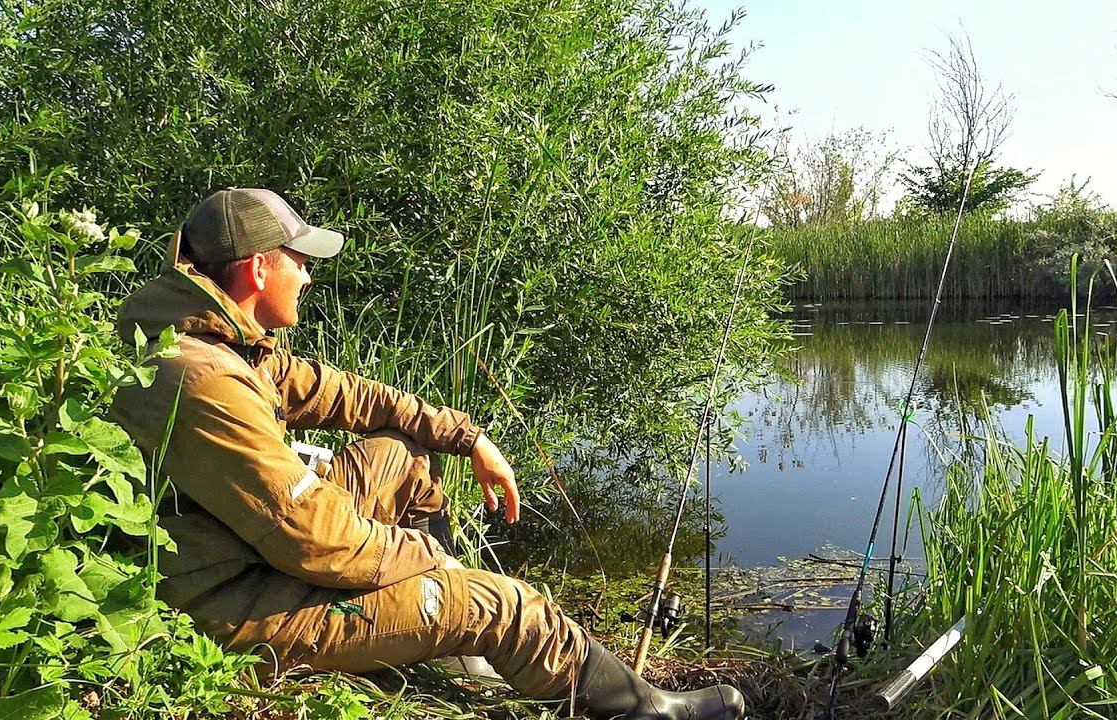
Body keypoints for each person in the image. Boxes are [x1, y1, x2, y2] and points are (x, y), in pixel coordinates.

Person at [111, 188, 746, 720]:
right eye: (297, 259)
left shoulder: (217, 340)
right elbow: (312, 540)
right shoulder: (205, 380)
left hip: (247, 550)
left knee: (404, 452)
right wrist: (428, 559)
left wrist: (467, 437)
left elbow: (344, 395)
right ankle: (647, 710)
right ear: (256, 270)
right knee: (509, 605)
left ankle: (442, 640)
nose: (307, 274)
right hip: (240, 604)